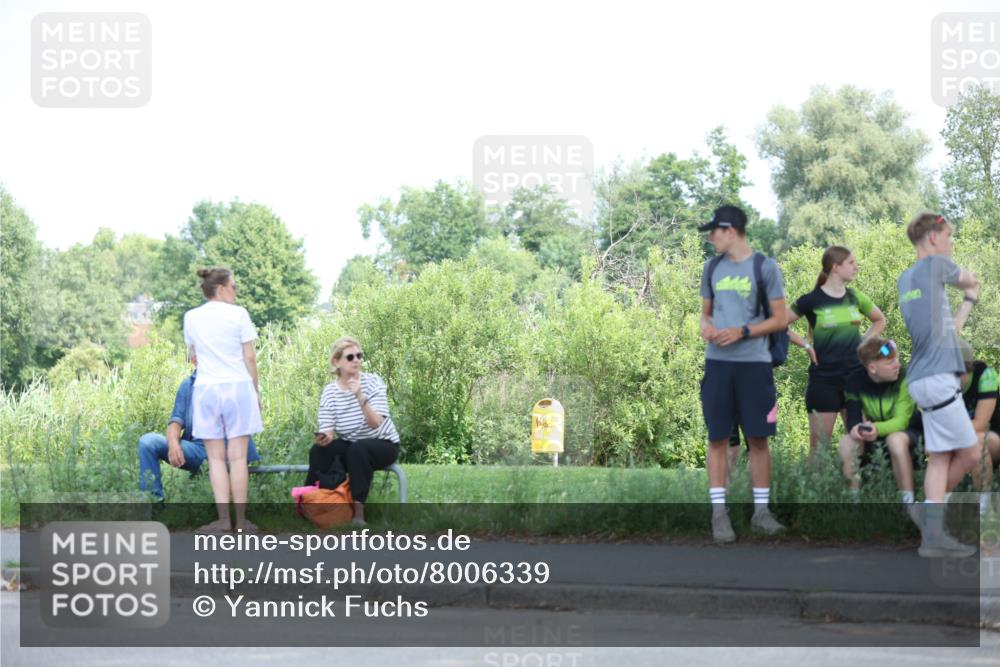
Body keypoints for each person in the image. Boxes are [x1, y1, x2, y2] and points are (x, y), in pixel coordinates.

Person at [698, 205, 787, 543]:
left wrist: (743, 332)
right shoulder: (711, 268)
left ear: (730, 231)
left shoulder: (765, 267)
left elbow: (780, 319)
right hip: (718, 365)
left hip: (755, 365)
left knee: (758, 440)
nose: (711, 238)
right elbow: (705, 315)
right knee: (718, 438)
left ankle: (761, 513)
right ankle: (719, 515)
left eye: (714, 232)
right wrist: (707, 328)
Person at [897, 212, 980, 558]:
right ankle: (930, 522)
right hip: (938, 378)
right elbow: (970, 278)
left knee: (941, 457)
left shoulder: (906, 279)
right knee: (972, 453)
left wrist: (968, 302)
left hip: (922, 377)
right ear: (932, 237)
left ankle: (931, 531)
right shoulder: (935, 266)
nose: (951, 243)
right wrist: (972, 287)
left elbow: (950, 331)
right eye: (948, 236)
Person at [183, 267, 263, 533]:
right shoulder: (239, 314)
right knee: (238, 458)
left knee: (216, 459)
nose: (236, 291)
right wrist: (255, 391)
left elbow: (193, 355)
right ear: (220, 288)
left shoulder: (191, 317)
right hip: (237, 387)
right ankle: (241, 522)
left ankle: (223, 520)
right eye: (234, 286)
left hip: (206, 388)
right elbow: (249, 357)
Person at [787, 246, 886, 461]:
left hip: (855, 379)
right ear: (836, 267)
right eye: (851, 263)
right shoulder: (810, 300)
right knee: (819, 450)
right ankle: (818, 484)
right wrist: (806, 345)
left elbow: (879, 320)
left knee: (861, 444)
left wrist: (863, 342)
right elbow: (779, 324)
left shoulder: (855, 296)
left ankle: (852, 483)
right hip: (824, 381)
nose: (856, 267)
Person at [137, 360, 261, 500]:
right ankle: (153, 503)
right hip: (197, 451)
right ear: (194, 360)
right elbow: (175, 421)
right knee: (148, 442)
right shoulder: (187, 386)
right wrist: (173, 443)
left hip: (227, 452)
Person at [311, 336, 400, 526]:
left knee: (358, 449)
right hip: (351, 444)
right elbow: (328, 430)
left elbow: (375, 423)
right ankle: (314, 504)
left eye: (359, 356)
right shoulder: (330, 392)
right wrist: (324, 438)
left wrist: (359, 395)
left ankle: (358, 514)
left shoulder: (373, 381)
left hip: (383, 443)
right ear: (337, 362)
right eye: (350, 357)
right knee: (319, 451)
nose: (356, 360)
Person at [838, 337, 921, 522]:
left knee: (895, 440)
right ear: (872, 368)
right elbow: (853, 416)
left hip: (909, 435)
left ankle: (908, 505)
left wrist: (875, 428)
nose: (897, 364)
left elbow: (901, 421)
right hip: (873, 434)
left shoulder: (905, 378)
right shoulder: (854, 380)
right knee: (846, 442)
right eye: (890, 362)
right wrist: (856, 429)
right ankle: (854, 503)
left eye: (897, 359)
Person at [951, 338, 997, 514]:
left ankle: (985, 507)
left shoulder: (986, 375)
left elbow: (980, 424)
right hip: (960, 440)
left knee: (976, 439)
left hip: (993, 437)